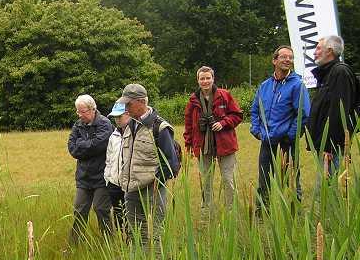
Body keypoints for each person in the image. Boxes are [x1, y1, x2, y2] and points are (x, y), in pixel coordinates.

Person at [117, 84, 179, 245]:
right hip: (130, 191)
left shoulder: (160, 127)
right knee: (132, 234)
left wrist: (154, 184)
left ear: (141, 102)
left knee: (153, 236)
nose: (125, 108)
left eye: (128, 104)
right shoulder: (130, 124)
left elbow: (171, 165)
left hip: (152, 194)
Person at [251, 46, 310, 206]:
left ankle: (292, 210)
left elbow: (302, 114)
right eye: (284, 57)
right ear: (274, 60)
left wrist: (290, 135)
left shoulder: (297, 85)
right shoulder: (265, 86)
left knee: (290, 176)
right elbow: (255, 109)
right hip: (267, 140)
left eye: (290, 57)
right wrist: (256, 130)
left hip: (287, 142)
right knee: (264, 176)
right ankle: (263, 210)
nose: (287, 60)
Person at [184, 66, 243, 209]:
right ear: (198, 80)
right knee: (206, 181)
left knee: (228, 179)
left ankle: (231, 210)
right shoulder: (193, 100)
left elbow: (237, 115)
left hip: (225, 144)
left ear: (213, 78)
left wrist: (223, 123)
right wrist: (189, 144)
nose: (205, 81)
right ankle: (207, 210)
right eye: (202, 78)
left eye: (208, 78)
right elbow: (188, 124)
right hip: (203, 145)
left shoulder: (224, 95)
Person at [307, 35, 358, 177]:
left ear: (329, 51)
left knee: (327, 190)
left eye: (318, 48)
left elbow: (339, 112)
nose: (314, 52)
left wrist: (329, 145)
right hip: (325, 145)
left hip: (332, 147)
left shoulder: (340, 72)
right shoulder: (328, 74)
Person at [67, 94, 114, 244]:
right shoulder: (78, 125)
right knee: (79, 210)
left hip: (102, 176)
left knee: (101, 209)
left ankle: (108, 243)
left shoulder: (105, 124)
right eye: (78, 112)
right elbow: (72, 149)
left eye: (82, 112)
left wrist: (82, 144)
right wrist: (87, 145)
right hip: (84, 177)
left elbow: (99, 146)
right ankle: (74, 244)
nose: (80, 115)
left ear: (93, 109)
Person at [104, 99, 131, 234]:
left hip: (130, 185)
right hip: (114, 184)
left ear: (128, 113)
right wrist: (108, 179)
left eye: (120, 116)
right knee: (118, 215)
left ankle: (132, 242)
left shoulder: (134, 133)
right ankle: (122, 240)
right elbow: (109, 159)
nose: (117, 120)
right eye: (115, 117)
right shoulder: (113, 136)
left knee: (131, 216)